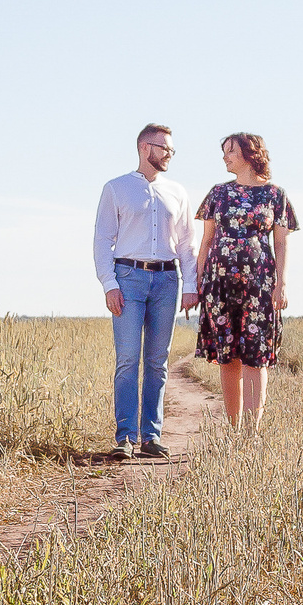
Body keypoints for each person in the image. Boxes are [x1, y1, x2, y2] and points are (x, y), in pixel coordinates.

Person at [91, 122, 200, 459]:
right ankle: (125, 437)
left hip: (168, 280)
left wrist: (191, 286)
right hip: (128, 278)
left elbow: (186, 243)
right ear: (144, 147)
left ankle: (151, 437)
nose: (168, 154)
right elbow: (101, 240)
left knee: (158, 360)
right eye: (163, 148)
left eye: (171, 149)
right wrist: (109, 284)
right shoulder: (116, 188)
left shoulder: (177, 192)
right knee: (127, 359)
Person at [194, 132, 299, 433]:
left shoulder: (275, 195)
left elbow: (281, 244)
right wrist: (198, 282)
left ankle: (250, 436)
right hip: (219, 285)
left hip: (260, 285)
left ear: (249, 154)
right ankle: (233, 429)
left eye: (230, 151)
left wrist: (282, 284)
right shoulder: (217, 193)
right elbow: (206, 241)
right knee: (228, 358)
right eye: (224, 152)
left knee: (256, 356)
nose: (225, 157)